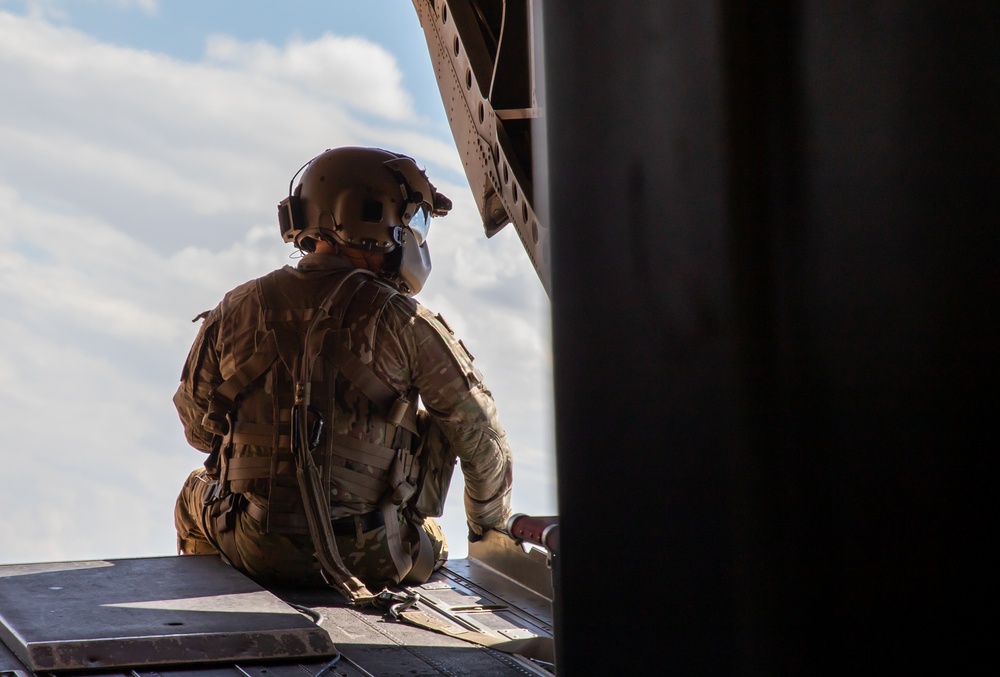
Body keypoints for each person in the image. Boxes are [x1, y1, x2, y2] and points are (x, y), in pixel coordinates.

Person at [173, 147, 513, 601]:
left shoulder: (235, 307)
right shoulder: (409, 324)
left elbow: (198, 431)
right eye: (416, 222)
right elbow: (483, 442)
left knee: (193, 493)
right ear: (378, 221)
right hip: (371, 555)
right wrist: (489, 533)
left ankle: (212, 611)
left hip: (251, 545)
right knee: (432, 530)